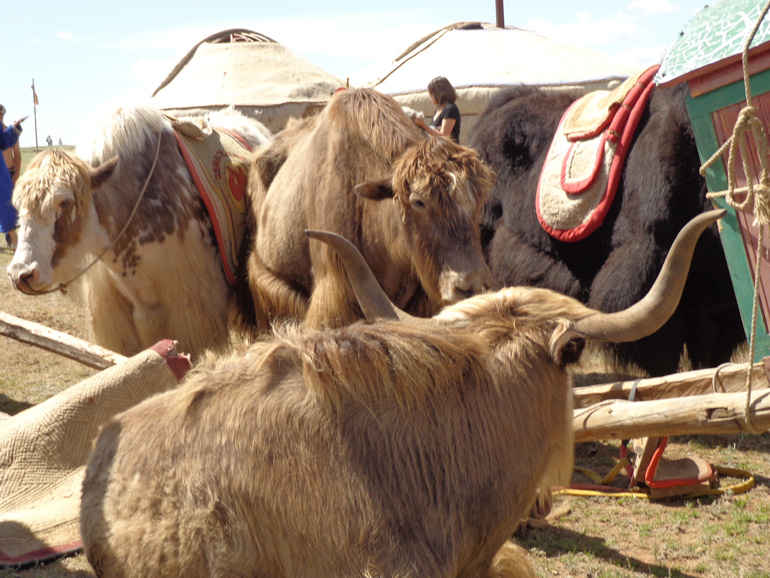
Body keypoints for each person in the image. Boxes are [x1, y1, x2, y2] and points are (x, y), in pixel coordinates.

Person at [0, 109, 25, 249]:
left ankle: (14, 241)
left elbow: (3, 141)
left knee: (5, 203)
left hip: (3, 172)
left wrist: (14, 127)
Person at [414, 76, 461, 143]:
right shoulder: (438, 110)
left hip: (449, 151)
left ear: (438, 94)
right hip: (436, 149)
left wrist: (423, 125)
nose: (430, 98)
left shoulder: (450, 109)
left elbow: (444, 136)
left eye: (431, 95)